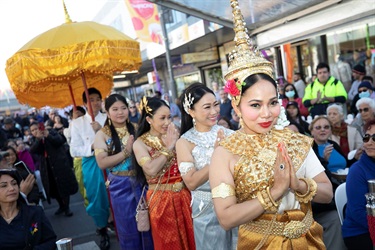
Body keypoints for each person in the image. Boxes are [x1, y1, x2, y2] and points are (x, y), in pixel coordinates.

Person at [209, 3, 332, 248]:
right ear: (236, 107)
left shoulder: (294, 140)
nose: (267, 114)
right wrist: (275, 191)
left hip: (308, 241)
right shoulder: (224, 153)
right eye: (255, 105)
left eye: (273, 102)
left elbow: (327, 193)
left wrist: (297, 184)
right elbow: (226, 217)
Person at [176, 83, 237, 250]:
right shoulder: (184, 142)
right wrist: (217, 155)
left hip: (236, 203)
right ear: (191, 111)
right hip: (206, 208)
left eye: (216, 105)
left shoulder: (229, 134)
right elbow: (191, 182)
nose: (214, 111)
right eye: (207, 107)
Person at [133, 96, 195, 250]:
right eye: (162, 118)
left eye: (169, 117)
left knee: (192, 238)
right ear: (149, 119)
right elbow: (151, 169)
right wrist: (168, 148)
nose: (168, 122)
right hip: (161, 200)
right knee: (168, 243)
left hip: (185, 196)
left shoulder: (175, 133)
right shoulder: (140, 143)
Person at [94, 94, 153, 250]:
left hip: (142, 182)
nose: (120, 112)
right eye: (115, 109)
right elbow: (102, 162)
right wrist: (126, 152)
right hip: (120, 185)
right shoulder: (102, 134)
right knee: (128, 228)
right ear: (106, 112)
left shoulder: (136, 128)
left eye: (123, 108)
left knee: (148, 224)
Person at [69, 88, 110, 250]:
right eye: (91, 99)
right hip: (91, 162)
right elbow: (74, 150)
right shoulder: (77, 123)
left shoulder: (109, 118)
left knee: (115, 193)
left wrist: (102, 131)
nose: (95, 102)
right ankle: (102, 230)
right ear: (85, 103)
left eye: (98, 99)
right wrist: (92, 145)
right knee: (97, 196)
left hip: (112, 159)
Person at [0, 169, 56, 249]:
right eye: (4, 186)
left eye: (14, 183)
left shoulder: (35, 213)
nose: (12, 188)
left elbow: (51, 241)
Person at [29, 122, 78, 214]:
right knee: (52, 187)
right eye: (33, 130)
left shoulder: (51, 132)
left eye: (36, 129)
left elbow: (59, 141)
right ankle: (61, 206)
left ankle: (67, 207)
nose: (35, 131)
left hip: (59, 163)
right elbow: (33, 150)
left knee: (63, 185)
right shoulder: (34, 139)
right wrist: (38, 139)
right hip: (46, 166)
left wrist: (48, 135)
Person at [342, 119, 375, 250]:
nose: (370, 142)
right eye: (366, 138)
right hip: (360, 233)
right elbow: (358, 213)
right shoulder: (358, 170)